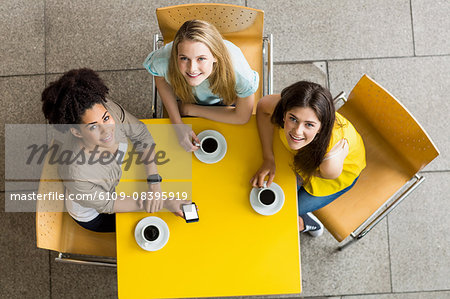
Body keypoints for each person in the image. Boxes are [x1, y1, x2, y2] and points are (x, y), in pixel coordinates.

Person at [41, 68, 190, 232]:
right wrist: (164, 202)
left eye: (105, 119)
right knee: (153, 223)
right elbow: (109, 203)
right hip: (96, 213)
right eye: (93, 127)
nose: (107, 130)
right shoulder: (77, 174)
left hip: (116, 183)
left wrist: (154, 182)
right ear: (76, 131)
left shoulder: (106, 109)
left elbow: (141, 134)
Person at [250, 81, 366, 237]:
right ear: (284, 112)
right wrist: (268, 157)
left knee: (281, 210)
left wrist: (297, 178)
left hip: (326, 176)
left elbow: (327, 174)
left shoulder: (330, 159)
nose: (297, 131)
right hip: (301, 160)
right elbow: (263, 107)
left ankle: (307, 223)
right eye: (293, 119)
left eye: (309, 125)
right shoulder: (281, 106)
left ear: (321, 127)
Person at [143, 19, 259, 151]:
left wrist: (189, 109)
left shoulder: (239, 73)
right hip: (185, 98)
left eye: (201, 58)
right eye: (184, 58)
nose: (192, 68)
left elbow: (242, 117)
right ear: (176, 55)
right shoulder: (164, 60)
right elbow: (161, 78)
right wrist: (177, 124)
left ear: (216, 56)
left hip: (224, 103)